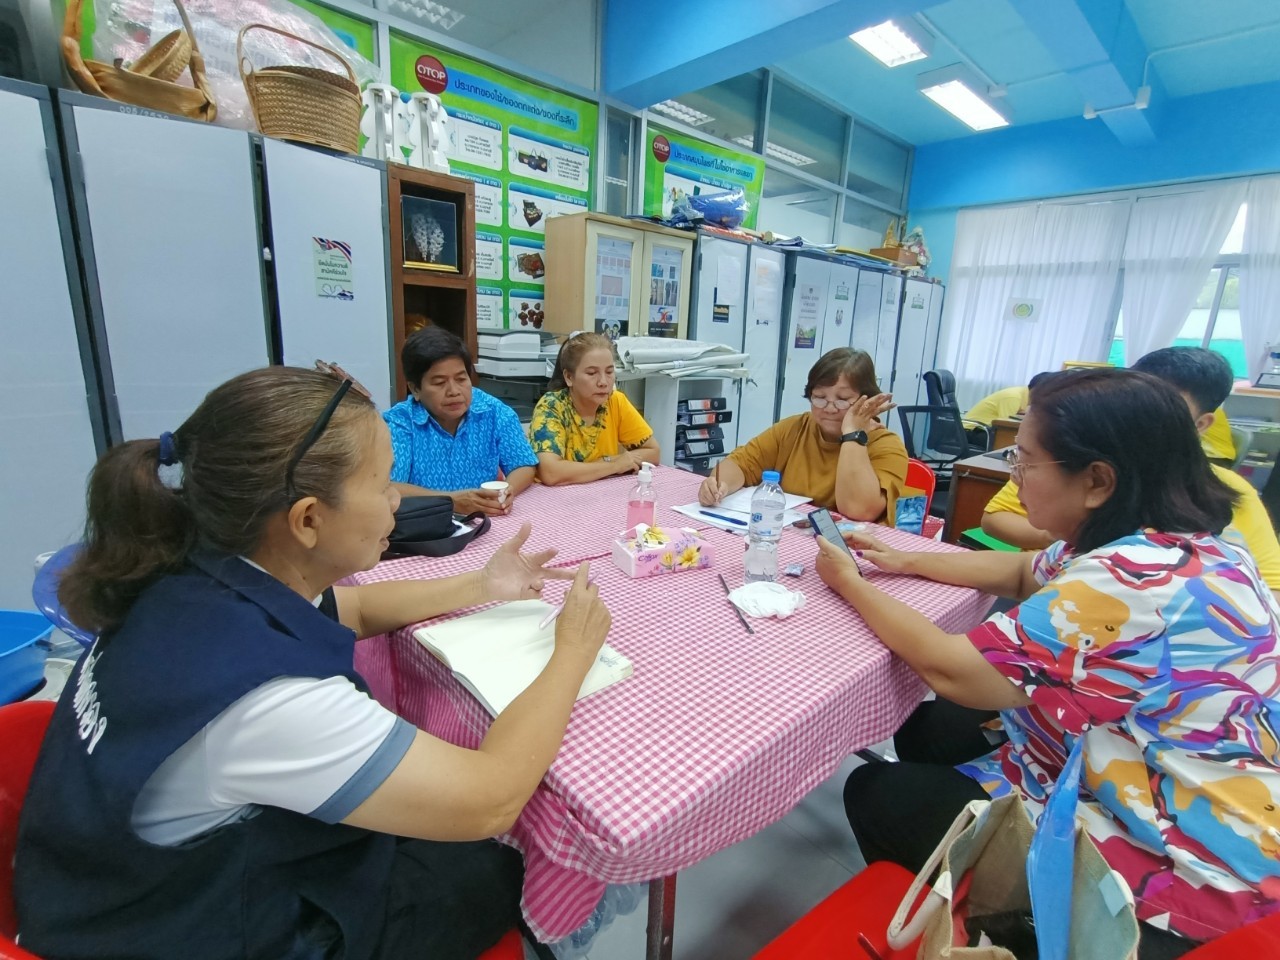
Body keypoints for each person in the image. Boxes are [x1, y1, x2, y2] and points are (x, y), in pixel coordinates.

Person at [15, 366, 612, 960]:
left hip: (89, 879)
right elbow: (491, 799)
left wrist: (483, 582)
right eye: (385, 489)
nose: (395, 508)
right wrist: (572, 653)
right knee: (496, 863)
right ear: (307, 520)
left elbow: (349, 607)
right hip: (185, 925)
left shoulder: (192, 567)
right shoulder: (270, 700)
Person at [816, 368, 1280, 959]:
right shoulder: (1176, 541)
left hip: (1178, 860)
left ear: (1097, 480)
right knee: (933, 728)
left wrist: (851, 584)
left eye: (1025, 462)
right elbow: (1021, 569)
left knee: (881, 790)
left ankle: (1007, 934)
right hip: (1197, 787)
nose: (1015, 476)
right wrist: (903, 561)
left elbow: (953, 668)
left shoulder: (1126, 582)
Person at [980, 347, 1280, 599]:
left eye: (1156, 413)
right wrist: (1068, 535)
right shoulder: (1066, 467)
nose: (1129, 424)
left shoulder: (1135, 571)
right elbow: (1017, 553)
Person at [699, 347, 907, 523]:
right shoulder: (796, 428)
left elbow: (858, 510)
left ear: (867, 400)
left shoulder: (886, 446)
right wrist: (719, 485)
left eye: (843, 399)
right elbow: (742, 463)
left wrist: (853, 434)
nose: (830, 408)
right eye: (819, 397)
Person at [383, 327, 537, 516]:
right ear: (415, 389)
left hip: (487, 521)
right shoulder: (399, 423)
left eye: (461, 379)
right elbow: (387, 488)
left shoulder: (493, 410)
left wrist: (506, 490)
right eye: (440, 383)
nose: (454, 391)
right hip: (427, 528)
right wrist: (451, 501)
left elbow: (524, 464)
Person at [530, 333, 659, 485]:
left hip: (602, 493)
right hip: (555, 500)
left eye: (609, 372)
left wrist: (608, 460)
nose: (604, 382)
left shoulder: (615, 401)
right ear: (569, 377)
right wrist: (614, 465)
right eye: (592, 373)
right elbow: (551, 473)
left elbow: (653, 452)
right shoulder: (552, 406)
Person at [961, 372, 1049, 426]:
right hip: (974, 430)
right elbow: (1005, 425)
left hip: (988, 429)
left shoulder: (1024, 396)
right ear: (1037, 389)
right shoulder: (1013, 397)